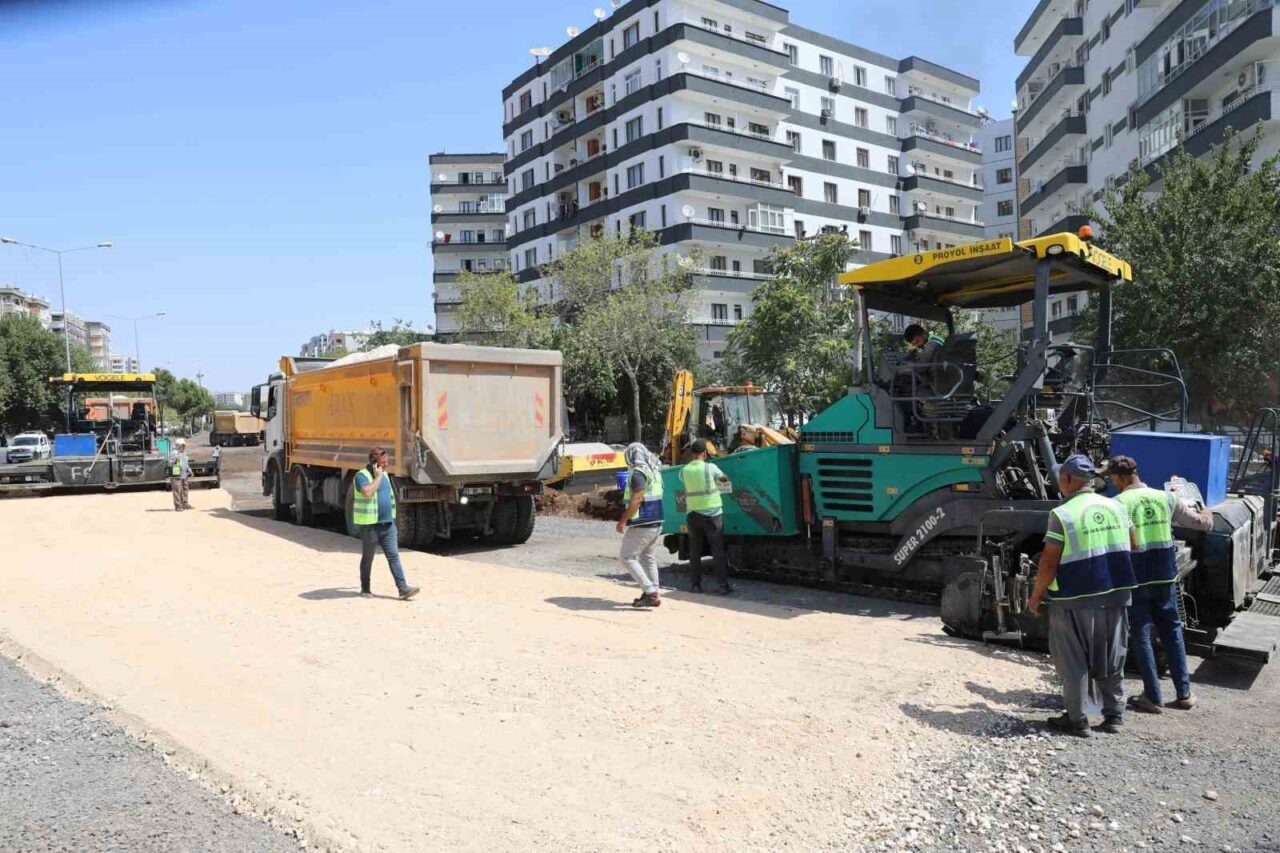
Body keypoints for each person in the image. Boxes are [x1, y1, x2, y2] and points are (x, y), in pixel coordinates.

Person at [1028, 454, 1138, 737]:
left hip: (1073, 598)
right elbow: (1134, 545)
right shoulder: (1116, 506)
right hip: (1116, 593)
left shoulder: (1062, 514)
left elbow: (1049, 562)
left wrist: (1036, 595)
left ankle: (1077, 720)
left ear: (1066, 480)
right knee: (1112, 657)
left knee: (1073, 660)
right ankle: (1114, 716)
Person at [1101, 455, 1212, 713]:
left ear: (1120, 477)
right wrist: (1204, 508)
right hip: (1165, 576)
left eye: (1112, 478)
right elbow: (1204, 524)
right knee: (1172, 630)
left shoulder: (1117, 503)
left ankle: (1152, 696)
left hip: (1136, 577)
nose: (1111, 482)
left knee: (1140, 633)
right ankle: (1184, 693)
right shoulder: (1167, 498)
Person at [353, 447, 420, 601]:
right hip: (370, 526)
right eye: (383, 462)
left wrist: (394, 520)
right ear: (374, 463)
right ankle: (365, 587)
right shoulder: (361, 476)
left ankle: (403, 589)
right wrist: (377, 477)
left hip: (388, 525)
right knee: (368, 558)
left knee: (394, 556)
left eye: (386, 462)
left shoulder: (385, 475)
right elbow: (368, 492)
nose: (386, 464)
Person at [677, 439, 733, 594]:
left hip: (693, 515)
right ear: (705, 453)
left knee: (694, 551)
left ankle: (696, 585)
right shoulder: (711, 467)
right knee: (718, 551)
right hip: (712, 514)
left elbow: (683, 481)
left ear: (692, 453)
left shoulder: (684, 470)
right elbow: (726, 484)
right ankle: (723, 586)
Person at [615, 442, 665, 608]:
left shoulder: (638, 473)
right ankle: (653, 592)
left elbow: (637, 499)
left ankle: (650, 592)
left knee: (626, 557)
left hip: (643, 522)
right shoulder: (654, 471)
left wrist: (623, 520)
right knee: (647, 557)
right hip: (657, 520)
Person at [168, 437, 192, 511]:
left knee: (185, 488)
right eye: (183, 446)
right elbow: (169, 463)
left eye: (184, 446)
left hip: (184, 474)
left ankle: (185, 503)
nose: (184, 447)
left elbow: (185, 462)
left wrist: (189, 469)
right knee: (177, 490)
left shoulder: (184, 453)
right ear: (179, 445)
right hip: (176, 474)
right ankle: (178, 506)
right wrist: (175, 460)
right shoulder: (174, 453)